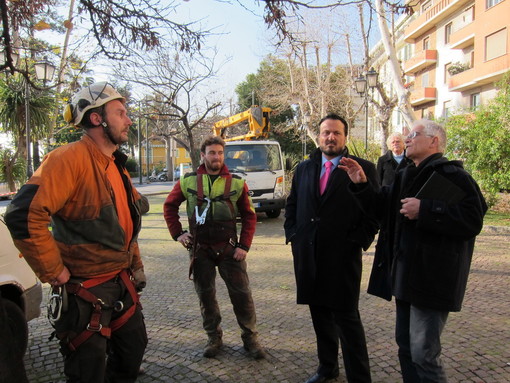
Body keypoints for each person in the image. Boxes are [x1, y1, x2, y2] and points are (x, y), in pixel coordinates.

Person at [4, 82, 148, 383]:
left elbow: (124, 225)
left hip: (120, 281)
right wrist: (55, 272)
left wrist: (135, 266)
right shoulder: (67, 159)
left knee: (132, 351)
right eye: (120, 113)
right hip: (85, 290)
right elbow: (22, 215)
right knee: (87, 370)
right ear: (97, 119)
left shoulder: (116, 166)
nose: (129, 120)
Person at [339, 119, 487, 383]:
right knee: (406, 347)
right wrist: (361, 183)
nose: (406, 139)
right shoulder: (405, 175)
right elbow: (382, 211)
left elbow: (473, 220)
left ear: (434, 141)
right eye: (406, 135)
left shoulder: (456, 176)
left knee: (424, 353)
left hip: (432, 281)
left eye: (414, 134)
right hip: (404, 276)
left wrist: (426, 210)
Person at [284, 113, 379, 383]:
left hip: (342, 257)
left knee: (347, 321)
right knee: (320, 317)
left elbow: (374, 213)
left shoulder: (363, 168)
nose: (330, 137)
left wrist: (357, 241)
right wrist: (293, 234)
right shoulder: (304, 168)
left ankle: (360, 378)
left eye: (337, 133)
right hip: (309, 255)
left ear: (345, 137)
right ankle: (327, 368)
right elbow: (293, 204)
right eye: (326, 132)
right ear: (318, 135)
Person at [163, 135, 266, 359]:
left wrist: (244, 246)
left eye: (220, 153)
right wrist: (178, 233)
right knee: (206, 296)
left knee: (242, 295)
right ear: (203, 155)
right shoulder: (188, 181)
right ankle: (213, 338)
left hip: (230, 249)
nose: (216, 157)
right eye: (212, 153)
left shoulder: (237, 182)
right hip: (200, 251)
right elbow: (169, 206)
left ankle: (251, 339)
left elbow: (250, 216)